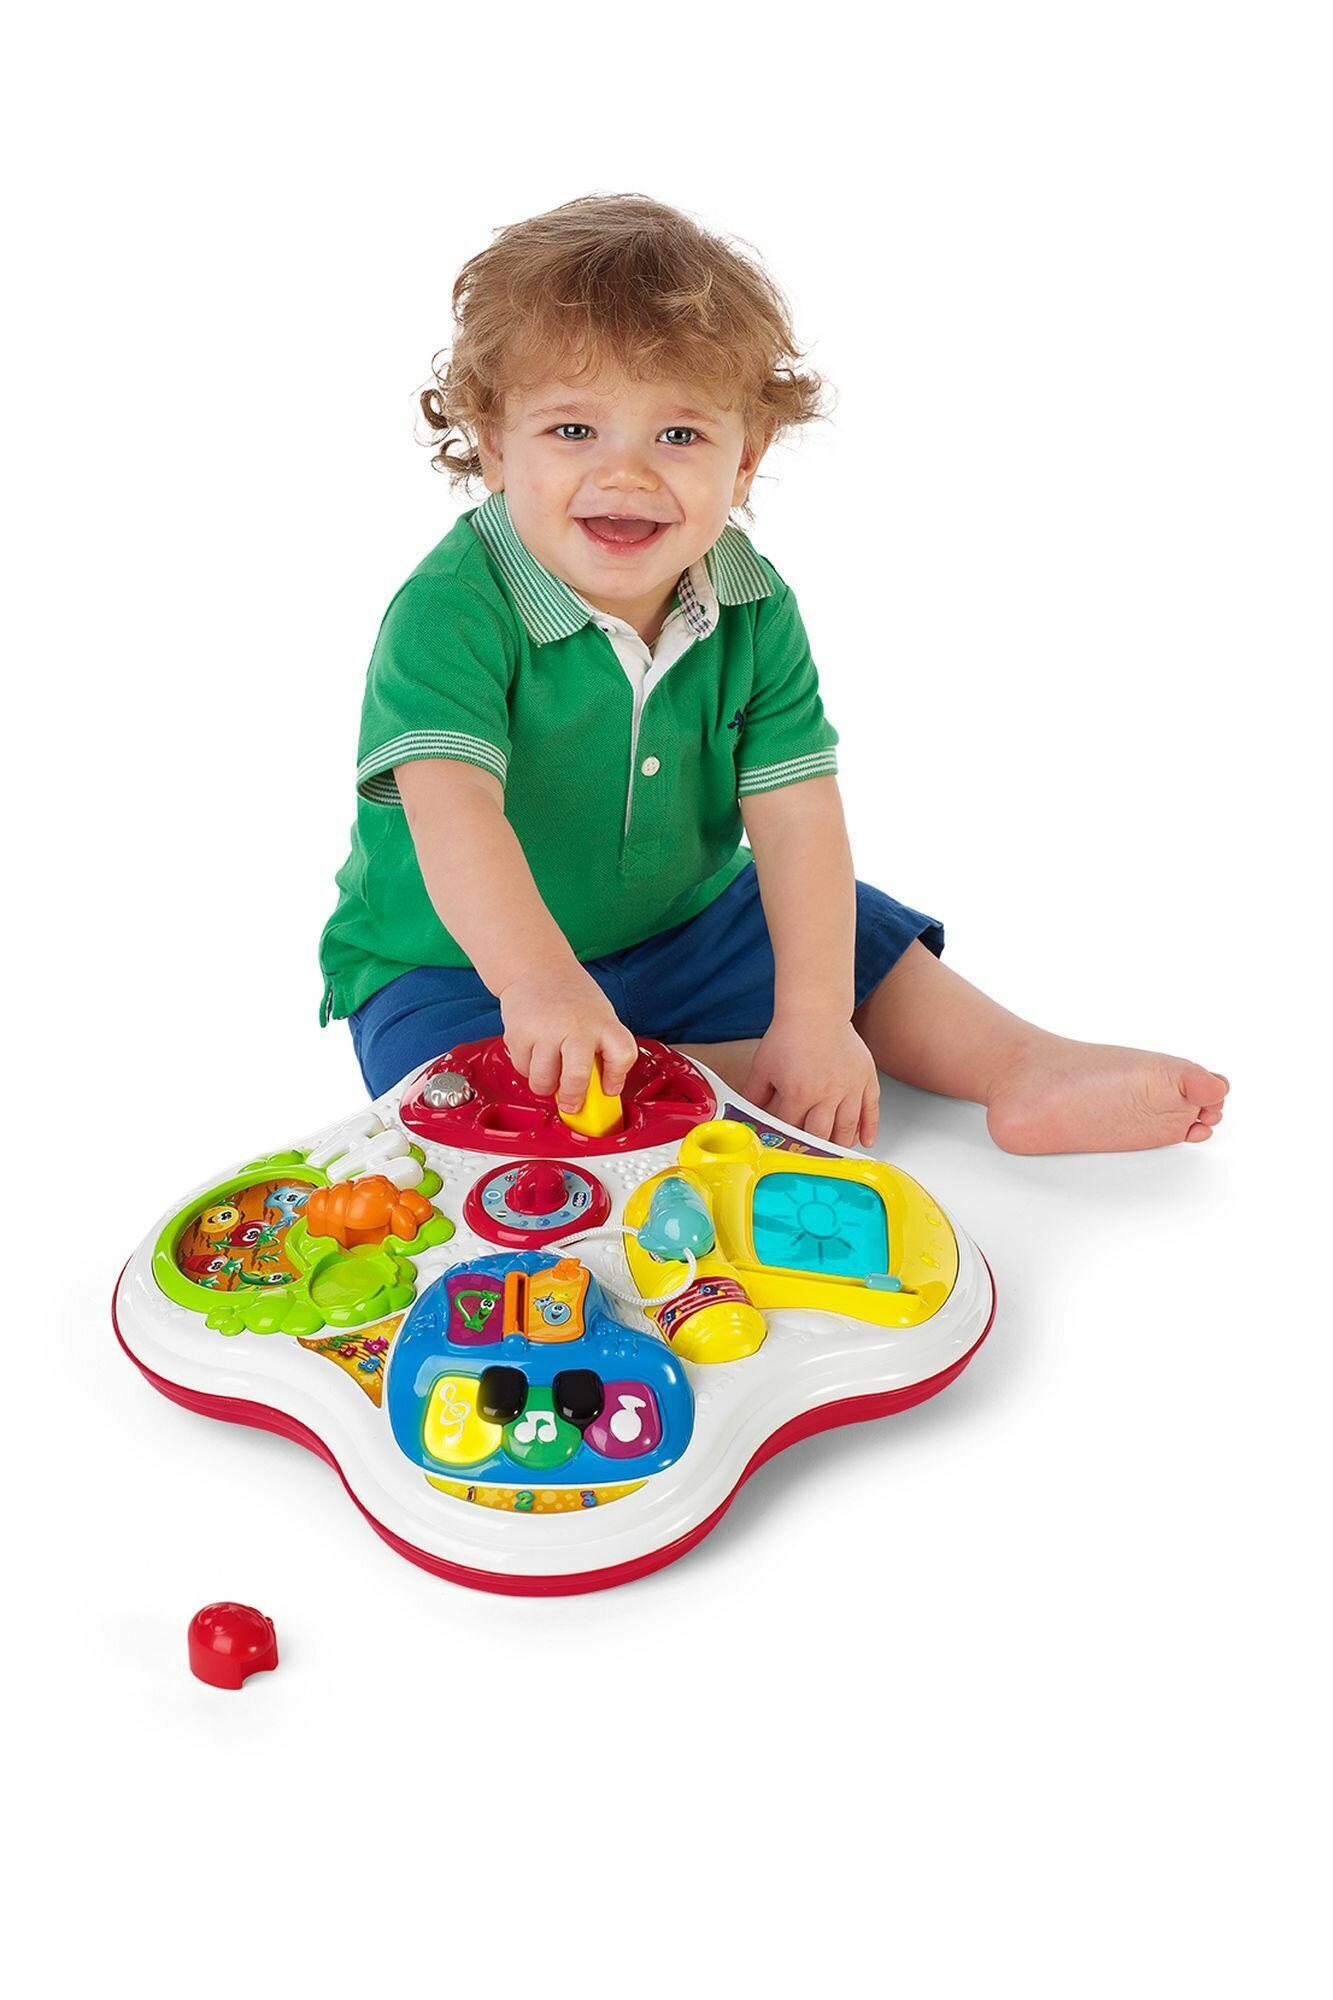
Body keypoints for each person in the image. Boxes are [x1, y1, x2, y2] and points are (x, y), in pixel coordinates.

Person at [319, 194, 1228, 1154]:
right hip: (455, 961)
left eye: (677, 437)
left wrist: (817, 1013)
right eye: (573, 431)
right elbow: (453, 810)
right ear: (496, 445)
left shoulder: (751, 601)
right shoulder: (451, 610)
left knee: (847, 930)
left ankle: (1018, 1064)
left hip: (685, 924)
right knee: (453, 1088)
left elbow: (795, 817)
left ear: (746, 458)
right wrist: (539, 982)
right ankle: (709, 1077)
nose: (626, 474)